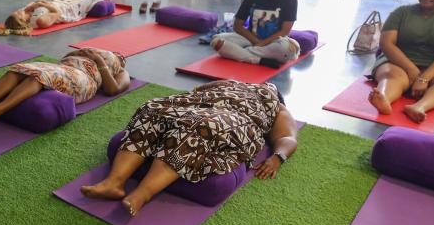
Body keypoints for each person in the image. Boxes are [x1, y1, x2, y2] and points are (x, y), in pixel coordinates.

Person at [81, 80, 298, 216]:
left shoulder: (275, 107)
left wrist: (277, 157)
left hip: (233, 119)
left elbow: (288, 136)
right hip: (198, 104)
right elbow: (196, 90)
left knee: (201, 126)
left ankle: (141, 195)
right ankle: (114, 182)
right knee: (152, 109)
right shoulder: (232, 83)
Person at [0, 48, 130, 128]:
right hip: (64, 67)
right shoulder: (97, 50)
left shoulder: (120, 70)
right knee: (20, 69)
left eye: (121, 56)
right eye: (118, 53)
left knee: (40, 78)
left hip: (84, 78)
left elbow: (112, 90)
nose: (119, 54)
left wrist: (100, 62)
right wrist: (78, 53)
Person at [212, 0, 300, 68]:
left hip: (275, 43)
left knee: (289, 50)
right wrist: (256, 41)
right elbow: (237, 25)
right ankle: (257, 59)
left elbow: (285, 31)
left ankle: (240, 53)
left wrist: (261, 44)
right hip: (250, 39)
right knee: (216, 40)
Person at [0, 0, 117, 35]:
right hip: (67, 10)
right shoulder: (40, 20)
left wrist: (38, 4)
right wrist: (41, 4)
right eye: (18, 13)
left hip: (58, 3)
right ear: (23, 20)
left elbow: (36, 6)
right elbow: (57, 13)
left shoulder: (25, 12)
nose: (19, 10)